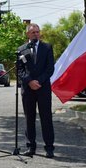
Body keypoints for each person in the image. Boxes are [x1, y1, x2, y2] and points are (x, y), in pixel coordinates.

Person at [17, 23, 55, 158]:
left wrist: (38, 81)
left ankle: (49, 148)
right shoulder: (21, 49)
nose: (36, 34)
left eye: (38, 32)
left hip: (43, 88)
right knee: (29, 119)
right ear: (28, 34)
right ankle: (30, 147)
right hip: (28, 90)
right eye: (33, 32)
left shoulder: (47, 47)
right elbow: (20, 70)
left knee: (46, 118)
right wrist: (30, 81)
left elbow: (50, 68)